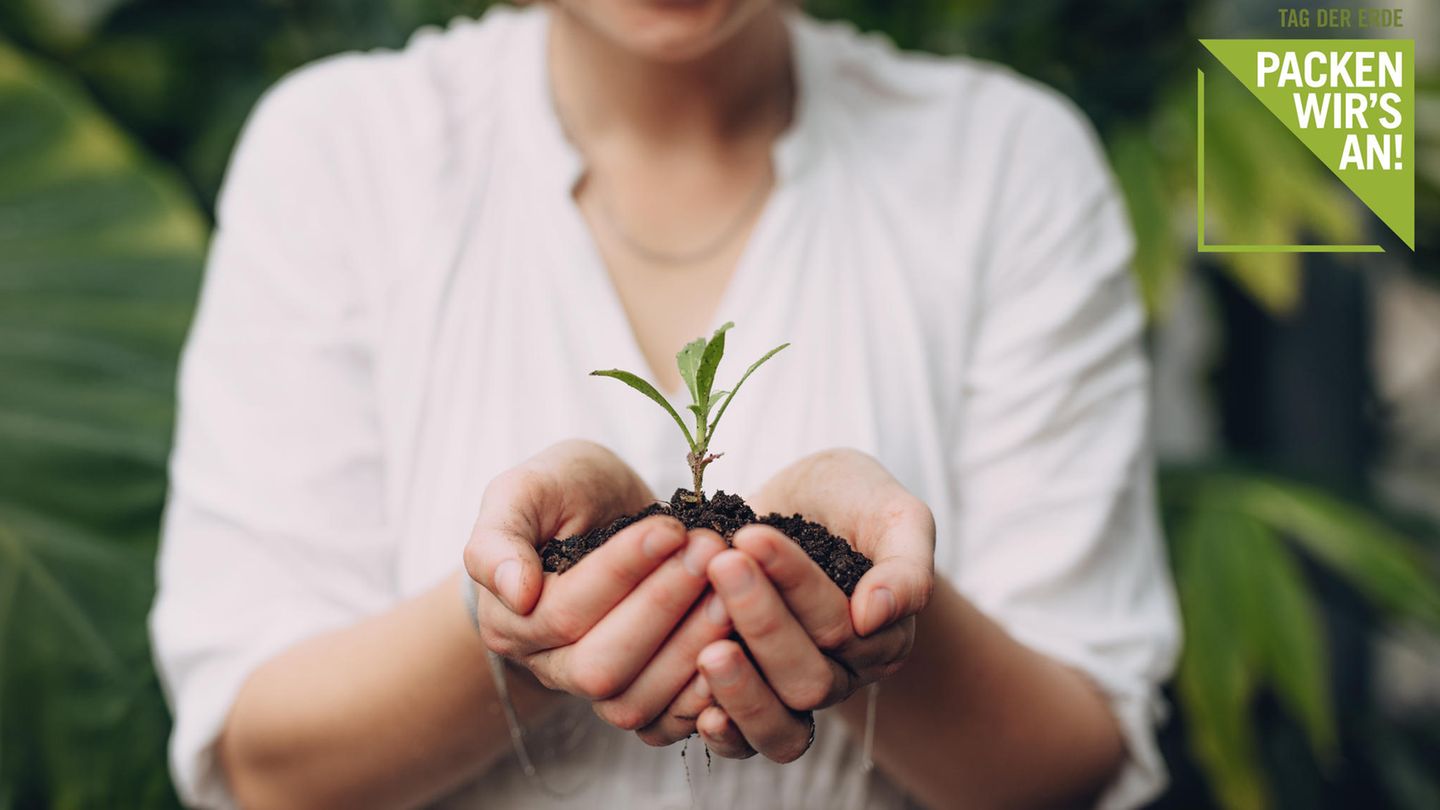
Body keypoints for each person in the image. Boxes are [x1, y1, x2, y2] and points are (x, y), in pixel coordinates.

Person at [150, 1, 1181, 808]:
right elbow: (266, 767)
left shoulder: (1006, 165)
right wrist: (509, 627)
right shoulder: (343, 155)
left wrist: (879, 616)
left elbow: (1068, 768)